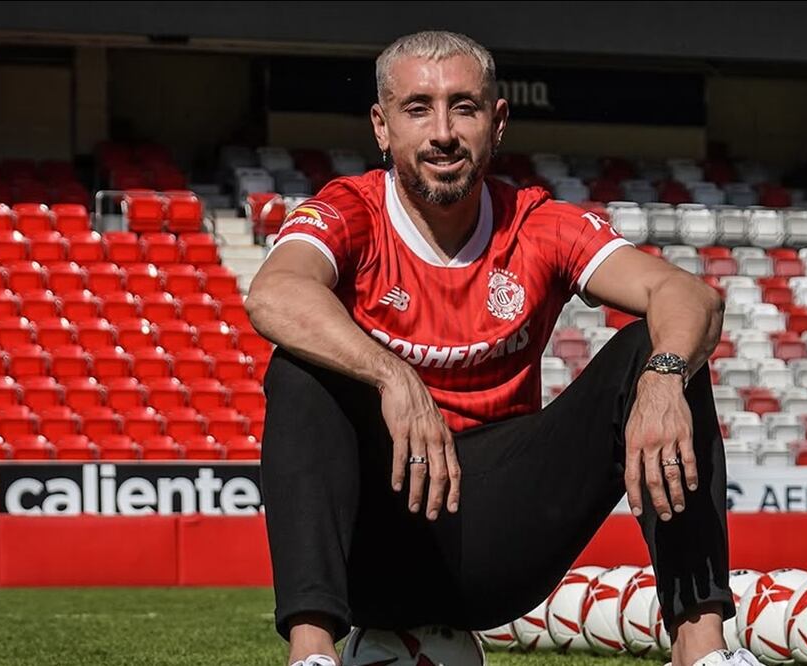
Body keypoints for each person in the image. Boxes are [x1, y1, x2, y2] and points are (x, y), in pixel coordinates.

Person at [246, 30, 742, 666]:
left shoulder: (538, 224)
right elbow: (274, 293)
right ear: (381, 126)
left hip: (495, 539)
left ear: (497, 122)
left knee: (660, 345)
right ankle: (313, 652)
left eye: (464, 107)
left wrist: (665, 377)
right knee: (299, 368)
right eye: (418, 108)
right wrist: (392, 376)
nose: (443, 133)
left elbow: (690, 295)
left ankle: (701, 651)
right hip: (370, 543)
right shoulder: (349, 211)